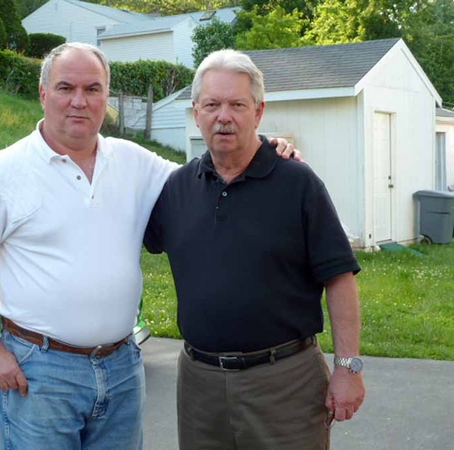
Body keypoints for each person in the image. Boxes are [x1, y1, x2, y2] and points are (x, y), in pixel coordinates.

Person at [0, 43, 296, 450]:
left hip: (122, 369)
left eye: (93, 89)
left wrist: (268, 150)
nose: (79, 101)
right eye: (65, 88)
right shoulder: (4, 172)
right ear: (43, 94)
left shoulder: (133, 162)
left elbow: (209, 178)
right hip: (40, 373)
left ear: (106, 98)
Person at [144, 49, 366, 450]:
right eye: (211, 104)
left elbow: (339, 277)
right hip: (199, 385)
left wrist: (347, 367)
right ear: (196, 112)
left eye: (237, 105)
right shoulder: (176, 188)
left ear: (259, 112)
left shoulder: (297, 183)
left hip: (285, 382)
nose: (223, 116)